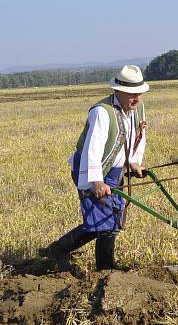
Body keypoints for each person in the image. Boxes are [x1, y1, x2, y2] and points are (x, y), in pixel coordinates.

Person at [40, 65, 149, 270]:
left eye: (139, 93)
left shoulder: (137, 109)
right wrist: (96, 181)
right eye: (131, 94)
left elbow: (138, 137)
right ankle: (100, 268)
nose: (136, 99)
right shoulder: (102, 112)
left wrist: (133, 161)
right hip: (92, 169)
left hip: (115, 171)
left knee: (112, 219)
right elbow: (93, 149)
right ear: (117, 91)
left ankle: (62, 250)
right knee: (104, 223)